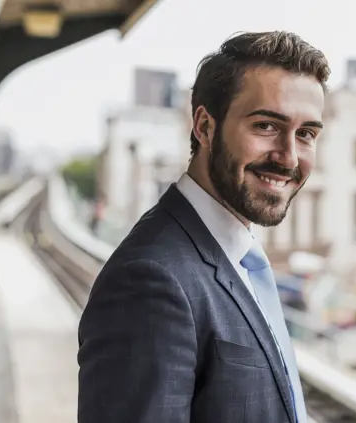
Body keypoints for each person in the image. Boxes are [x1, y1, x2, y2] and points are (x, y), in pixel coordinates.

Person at [77, 30, 330, 423]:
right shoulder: (150, 280)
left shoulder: (240, 259)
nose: (289, 157)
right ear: (204, 126)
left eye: (306, 134)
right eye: (265, 126)